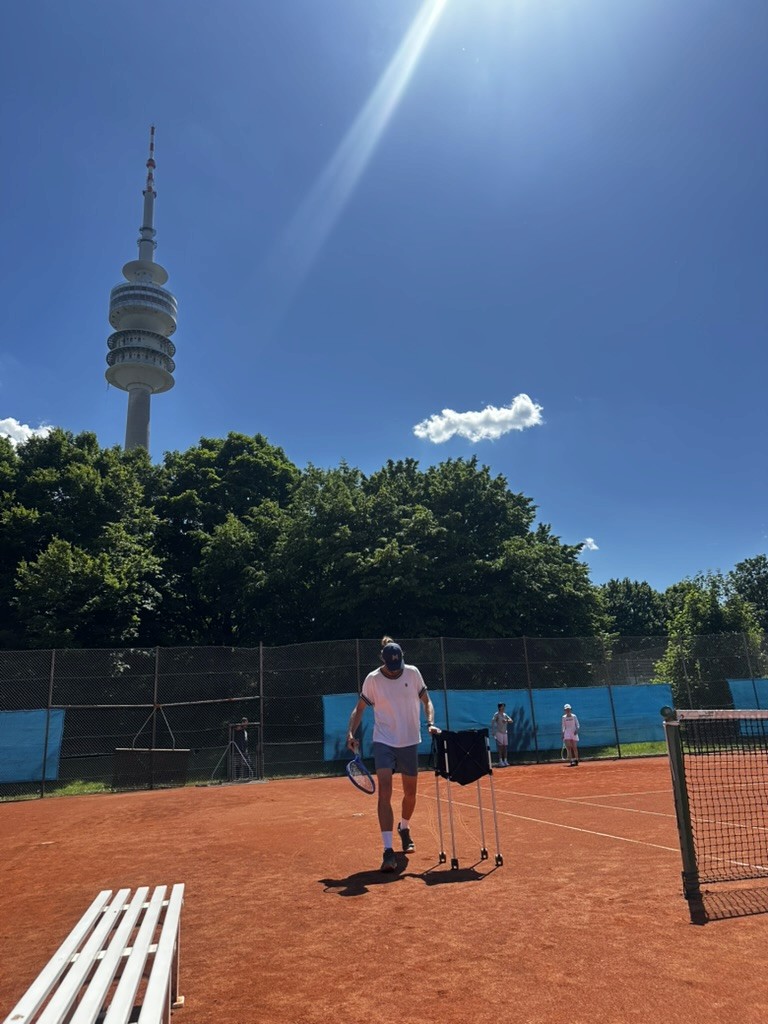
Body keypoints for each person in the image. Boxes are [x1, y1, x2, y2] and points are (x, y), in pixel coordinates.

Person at [347, 636, 438, 872]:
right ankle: (388, 850)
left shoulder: (413, 673)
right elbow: (359, 709)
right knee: (384, 792)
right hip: (384, 740)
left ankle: (404, 827)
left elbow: (427, 701)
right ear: (383, 660)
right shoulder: (373, 679)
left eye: (398, 664)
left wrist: (429, 721)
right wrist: (350, 733)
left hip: (409, 741)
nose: (395, 670)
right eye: (391, 665)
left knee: (410, 794)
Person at [490, 702, 513, 766]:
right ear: (499, 707)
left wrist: (506, 720)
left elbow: (511, 720)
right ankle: (500, 761)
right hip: (499, 732)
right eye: (502, 706)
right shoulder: (496, 714)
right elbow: (493, 722)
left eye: (504, 706)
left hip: (505, 732)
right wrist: (493, 731)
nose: (504, 708)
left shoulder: (505, 715)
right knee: (500, 747)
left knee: (505, 747)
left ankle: (505, 760)